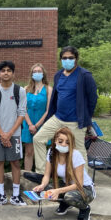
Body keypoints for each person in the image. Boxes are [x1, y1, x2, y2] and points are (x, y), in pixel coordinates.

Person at [33, 46, 98, 174]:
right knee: (38, 139)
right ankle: (41, 174)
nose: (67, 60)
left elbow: (92, 99)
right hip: (58, 118)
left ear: (76, 59)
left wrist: (86, 117)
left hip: (75, 122)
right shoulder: (58, 75)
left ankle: (83, 184)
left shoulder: (84, 75)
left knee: (79, 151)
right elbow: (56, 97)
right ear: (61, 60)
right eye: (64, 58)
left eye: (70, 58)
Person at [32, 127, 95, 220]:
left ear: (71, 144)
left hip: (84, 188)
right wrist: (42, 185)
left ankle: (84, 208)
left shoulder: (76, 155)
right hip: (67, 185)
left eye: (67, 142)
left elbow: (79, 184)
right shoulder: (51, 153)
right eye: (60, 141)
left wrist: (58, 190)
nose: (64, 144)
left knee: (69, 196)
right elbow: (46, 175)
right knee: (46, 191)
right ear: (55, 141)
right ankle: (65, 203)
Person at [0, 61, 28, 206]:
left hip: (15, 134)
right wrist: (2, 134)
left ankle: (16, 196)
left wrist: (9, 134)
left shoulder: (20, 91)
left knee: (15, 163)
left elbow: (21, 113)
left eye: (9, 70)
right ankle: (1, 195)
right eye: (3, 70)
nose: (6, 73)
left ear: (13, 73)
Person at [21, 63, 52, 172]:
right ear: (31, 74)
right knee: (28, 152)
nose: (37, 73)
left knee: (40, 152)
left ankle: (41, 176)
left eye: (39, 71)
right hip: (28, 122)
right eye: (35, 71)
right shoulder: (26, 89)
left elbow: (48, 110)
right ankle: (27, 175)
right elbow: (23, 109)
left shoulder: (48, 89)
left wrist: (37, 125)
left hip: (42, 123)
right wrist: (30, 125)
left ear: (43, 73)